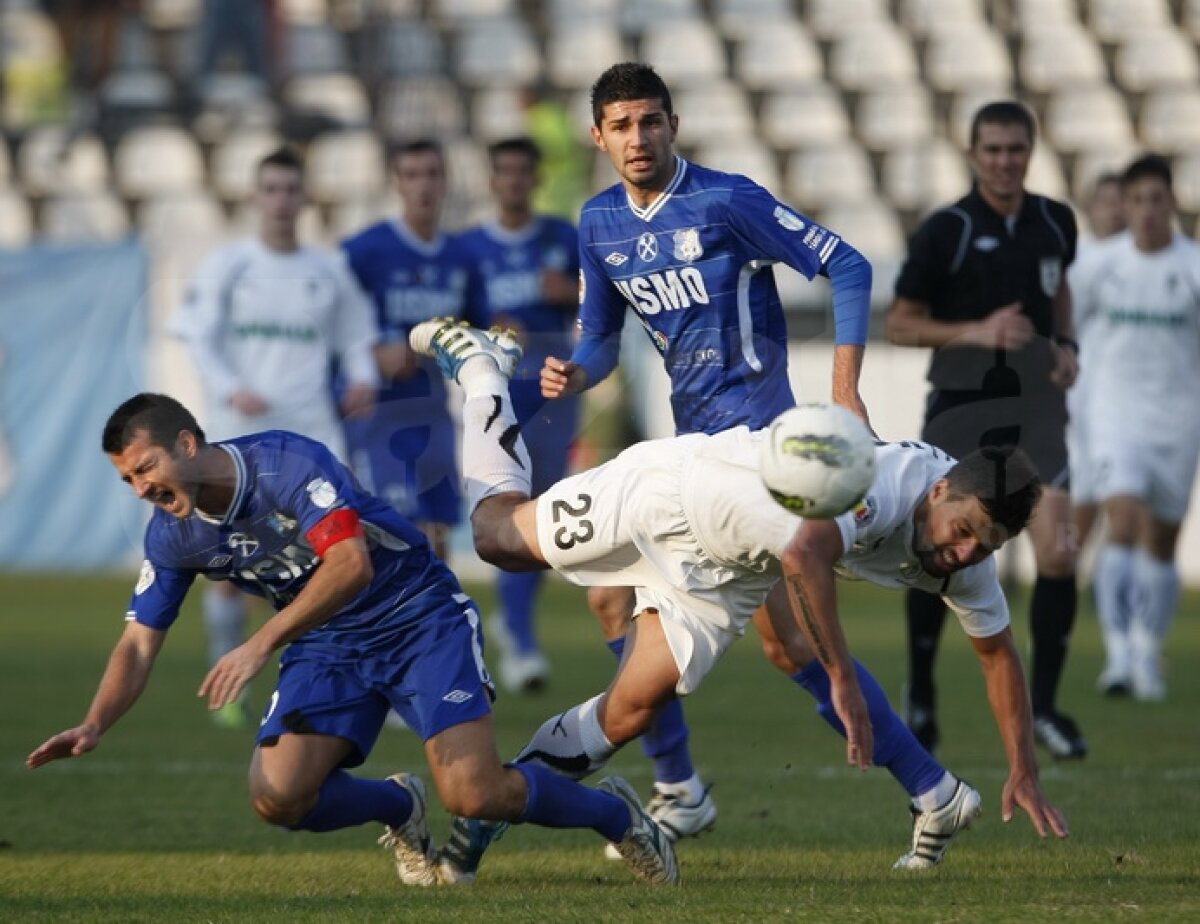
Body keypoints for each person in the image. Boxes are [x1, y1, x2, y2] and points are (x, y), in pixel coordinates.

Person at [408, 319, 1070, 883]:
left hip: (730, 572)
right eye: (961, 533)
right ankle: (483, 372)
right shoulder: (885, 486)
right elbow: (806, 553)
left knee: (631, 710)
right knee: (496, 538)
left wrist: (1024, 768)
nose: (962, 553)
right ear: (940, 490)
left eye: (982, 548)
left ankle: (489, 814)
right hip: (674, 497)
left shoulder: (968, 556)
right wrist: (841, 677)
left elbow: (997, 653)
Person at [26, 393, 681, 887]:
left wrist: (260, 643)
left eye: (146, 467)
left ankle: (616, 816)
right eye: (128, 480)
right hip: (328, 642)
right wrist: (95, 723)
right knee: (276, 796)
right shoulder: (173, 534)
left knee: (475, 795)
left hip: (417, 615)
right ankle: (398, 804)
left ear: (188, 443)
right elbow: (138, 643)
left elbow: (350, 565)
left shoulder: (284, 463)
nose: (141, 488)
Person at [538, 61, 880, 852]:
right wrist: (577, 371)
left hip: (758, 451)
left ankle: (929, 785)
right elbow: (601, 337)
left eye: (649, 121)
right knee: (609, 597)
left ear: (673, 126)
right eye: (621, 125)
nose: (637, 137)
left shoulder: (726, 201)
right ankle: (680, 788)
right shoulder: (598, 223)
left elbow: (849, 264)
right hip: (690, 453)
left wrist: (844, 390)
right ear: (597, 137)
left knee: (791, 643)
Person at [885, 100, 1086, 759]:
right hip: (964, 407)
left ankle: (1047, 709)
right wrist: (977, 331)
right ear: (973, 154)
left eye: (1015, 149)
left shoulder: (1055, 221)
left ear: (1031, 152)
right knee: (936, 545)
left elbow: (1060, 291)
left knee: (1058, 551)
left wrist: (1066, 345)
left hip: (1037, 410)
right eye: (993, 149)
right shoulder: (947, 230)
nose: (1005, 161)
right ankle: (921, 693)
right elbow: (900, 323)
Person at [170, 146, 380, 729]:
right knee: (228, 560)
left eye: (291, 189)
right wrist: (230, 386)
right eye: (272, 189)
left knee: (336, 558)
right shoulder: (229, 265)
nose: (282, 200)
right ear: (254, 197)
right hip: (238, 435)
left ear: (305, 197)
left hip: (311, 434)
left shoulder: (327, 270)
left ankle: (351, 676)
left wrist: (363, 376)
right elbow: (196, 336)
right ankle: (227, 676)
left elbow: (357, 337)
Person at [1068, 155, 1200, 701]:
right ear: (1127, 204)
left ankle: (1148, 649)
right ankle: (1118, 652)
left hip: (1179, 419)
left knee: (1162, 541)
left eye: (1156, 199)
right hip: (1114, 413)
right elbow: (1067, 327)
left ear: (1172, 203)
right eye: (1137, 200)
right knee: (1121, 518)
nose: (1146, 211)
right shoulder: (1100, 266)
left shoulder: (1192, 267)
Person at [457, 137, 581, 694]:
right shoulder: (469, 249)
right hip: (497, 392)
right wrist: (485, 331)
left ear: (535, 179)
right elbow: (450, 322)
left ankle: (514, 620)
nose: (513, 180)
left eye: (521, 171)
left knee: (546, 513)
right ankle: (522, 638)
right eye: (503, 171)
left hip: (554, 388)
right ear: (492, 180)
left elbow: (603, 302)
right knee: (511, 503)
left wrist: (569, 292)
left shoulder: (562, 238)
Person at [340, 139, 485, 562]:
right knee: (394, 534)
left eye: (432, 174)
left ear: (446, 182)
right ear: (396, 183)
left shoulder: (461, 257)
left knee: (437, 537)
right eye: (412, 175)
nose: (423, 185)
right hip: (381, 417)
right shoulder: (364, 251)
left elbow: (476, 330)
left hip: (434, 413)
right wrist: (371, 355)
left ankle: (436, 609)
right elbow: (332, 326)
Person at [1066, 173, 1126, 562]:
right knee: (1083, 484)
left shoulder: (1141, 258)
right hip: (1082, 392)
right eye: (1106, 201)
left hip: (1128, 391)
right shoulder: (1076, 258)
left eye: (1121, 201)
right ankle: (1067, 569)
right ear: (1089, 208)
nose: (1115, 210)